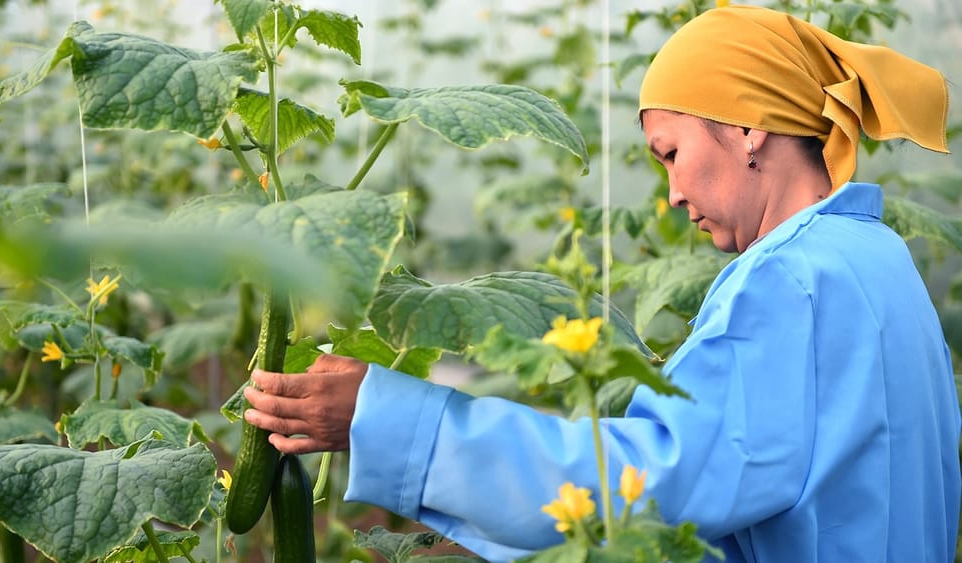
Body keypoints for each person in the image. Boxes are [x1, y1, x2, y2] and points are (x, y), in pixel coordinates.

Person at [242, 5, 961, 562]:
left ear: (748, 127)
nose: (673, 193)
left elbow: (638, 483)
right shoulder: (880, 261)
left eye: (672, 152)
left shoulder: (792, 284)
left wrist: (384, 417)